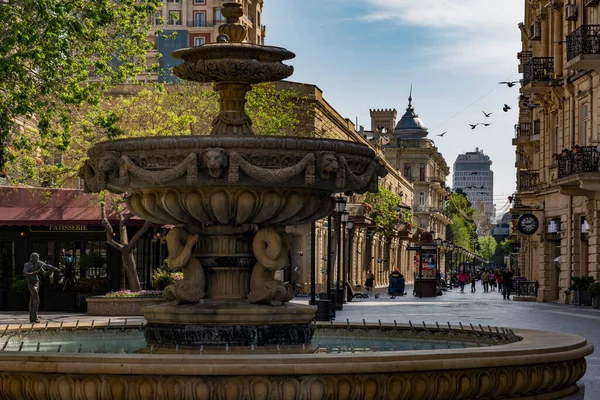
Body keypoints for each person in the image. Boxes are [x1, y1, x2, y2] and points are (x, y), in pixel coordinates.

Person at [23, 252, 56, 323]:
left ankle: (31, 318)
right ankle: (35, 318)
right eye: (36, 257)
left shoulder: (38, 264)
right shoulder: (27, 265)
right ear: (32, 258)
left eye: (38, 257)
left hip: (37, 283)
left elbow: (44, 273)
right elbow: (25, 273)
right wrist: (32, 273)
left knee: (32, 301)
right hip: (31, 284)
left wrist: (50, 271)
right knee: (36, 300)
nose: (37, 259)